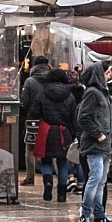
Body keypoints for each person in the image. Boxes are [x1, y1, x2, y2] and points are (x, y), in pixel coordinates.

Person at [75, 67, 112, 222]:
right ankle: (85, 213)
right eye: (106, 73)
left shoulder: (103, 92)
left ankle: (99, 214)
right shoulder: (93, 92)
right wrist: (98, 134)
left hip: (106, 144)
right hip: (95, 144)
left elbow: (110, 121)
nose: (109, 76)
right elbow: (83, 117)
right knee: (95, 178)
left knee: (100, 181)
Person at [32, 65, 79, 202]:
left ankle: (47, 183)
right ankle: (62, 193)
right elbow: (73, 116)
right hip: (64, 132)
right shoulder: (69, 96)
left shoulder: (43, 93)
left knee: (46, 161)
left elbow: (35, 112)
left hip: (46, 131)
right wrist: (75, 133)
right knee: (63, 162)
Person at [17, 59, 48, 189]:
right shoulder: (52, 80)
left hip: (32, 119)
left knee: (30, 148)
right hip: (49, 118)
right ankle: (53, 176)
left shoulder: (30, 81)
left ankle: (30, 177)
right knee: (50, 147)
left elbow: (24, 101)